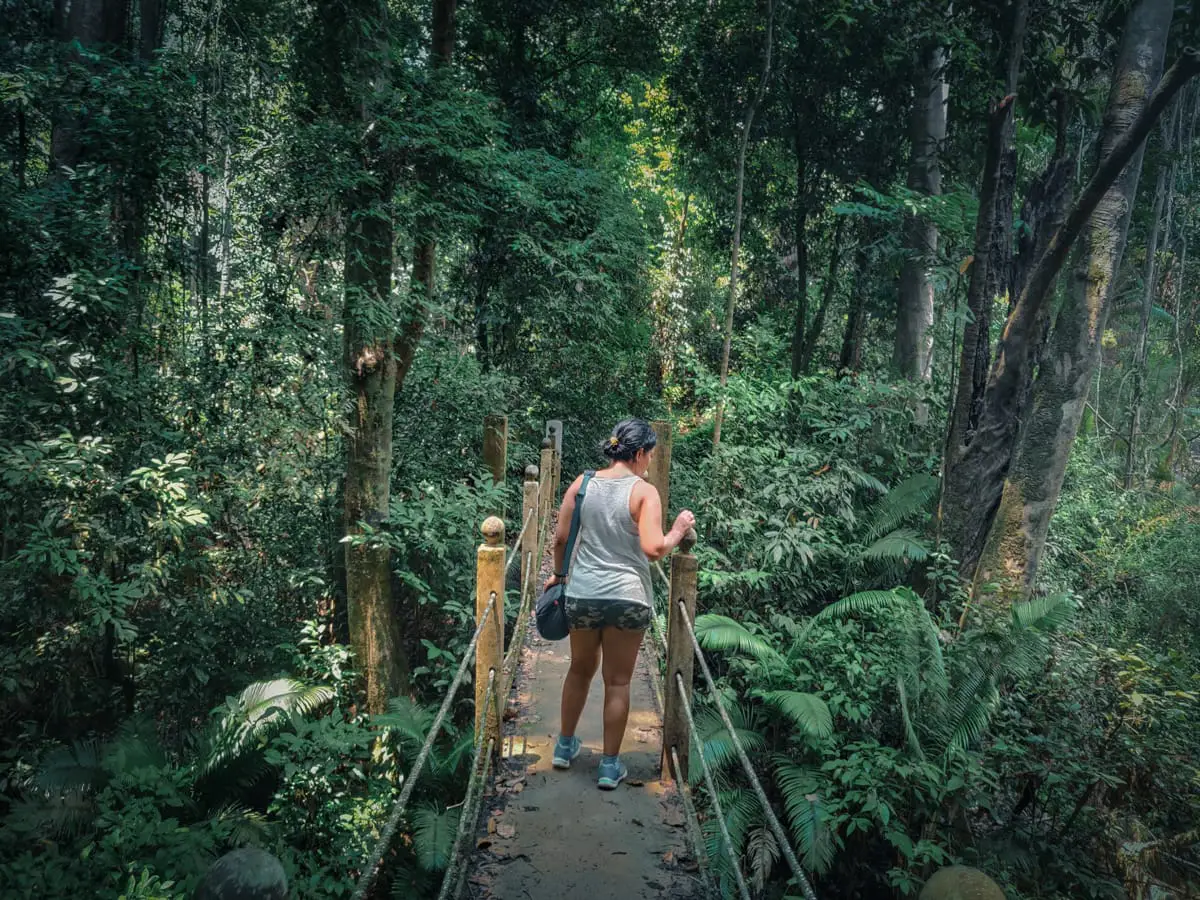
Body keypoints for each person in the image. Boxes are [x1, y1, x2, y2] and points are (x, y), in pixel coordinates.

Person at [542, 418, 696, 789]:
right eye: (650, 455)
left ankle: (564, 747)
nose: (650, 461)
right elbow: (654, 548)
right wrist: (677, 529)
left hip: (582, 594)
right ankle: (609, 767)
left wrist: (560, 577)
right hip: (627, 598)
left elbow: (561, 539)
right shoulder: (644, 493)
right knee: (618, 681)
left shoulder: (583, 484)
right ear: (640, 453)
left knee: (579, 669)